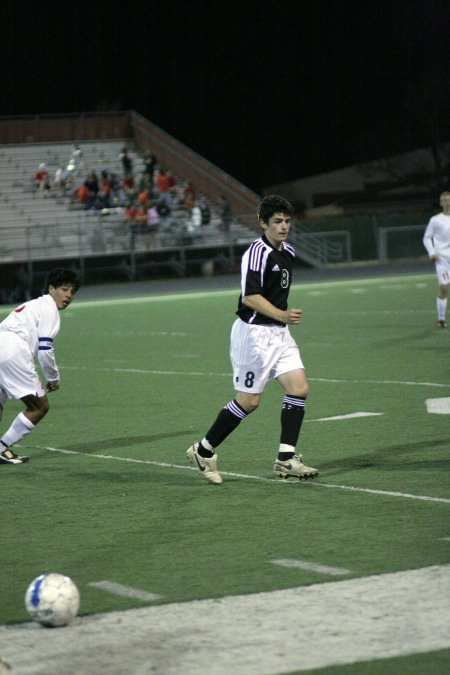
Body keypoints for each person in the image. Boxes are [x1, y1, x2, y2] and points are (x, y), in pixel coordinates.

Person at [187, 194, 319, 484]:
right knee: (249, 401)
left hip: (279, 334)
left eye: (287, 221)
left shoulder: (289, 252)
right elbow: (250, 297)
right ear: (263, 223)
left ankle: (286, 459)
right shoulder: (256, 254)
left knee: (298, 388)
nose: (284, 227)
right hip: (254, 334)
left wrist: (281, 320)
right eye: (277, 221)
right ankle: (203, 450)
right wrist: (282, 315)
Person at [0, 268, 80, 464]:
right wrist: (53, 379)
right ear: (51, 289)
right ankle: (1, 448)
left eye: (72, 292)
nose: (68, 295)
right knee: (39, 406)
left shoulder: (32, 304)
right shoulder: (49, 309)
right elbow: (45, 349)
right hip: (13, 350)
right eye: (64, 289)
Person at [423, 191, 450, 328]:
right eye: (444, 200)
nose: (447, 203)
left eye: (449, 200)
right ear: (441, 203)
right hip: (442, 259)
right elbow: (427, 237)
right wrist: (432, 252)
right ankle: (441, 318)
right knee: (444, 288)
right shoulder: (435, 220)